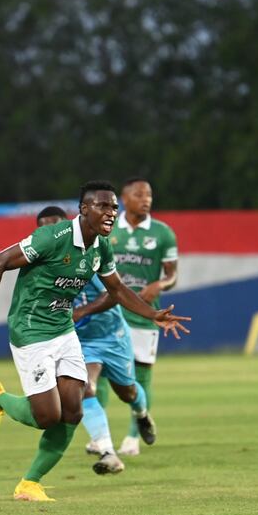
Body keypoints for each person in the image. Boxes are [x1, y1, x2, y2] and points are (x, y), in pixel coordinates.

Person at [0, 181, 190, 502]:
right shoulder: (52, 238)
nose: (110, 213)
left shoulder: (101, 247)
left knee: (73, 411)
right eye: (103, 207)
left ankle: (29, 483)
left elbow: (117, 290)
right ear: (84, 209)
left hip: (64, 331)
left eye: (113, 208)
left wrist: (152, 314)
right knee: (47, 416)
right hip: (31, 329)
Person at [32, 207, 154, 476]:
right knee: (84, 387)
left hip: (112, 335)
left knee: (128, 392)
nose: (50, 233)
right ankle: (108, 452)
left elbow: (114, 294)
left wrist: (82, 311)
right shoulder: (40, 261)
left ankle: (142, 413)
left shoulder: (89, 253)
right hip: (81, 341)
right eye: (44, 228)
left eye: (55, 227)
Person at [106, 177, 178, 457]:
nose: (146, 199)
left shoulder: (163, 233)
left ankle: (133, 436)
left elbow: (172, 274)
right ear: (125, 199)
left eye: (149, 194)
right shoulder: (108, 230)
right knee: (98, 372)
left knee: (141, 375)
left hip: (145, 315)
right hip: (109, 312)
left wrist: (159, 284)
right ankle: (100, 439)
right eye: (139, 194)